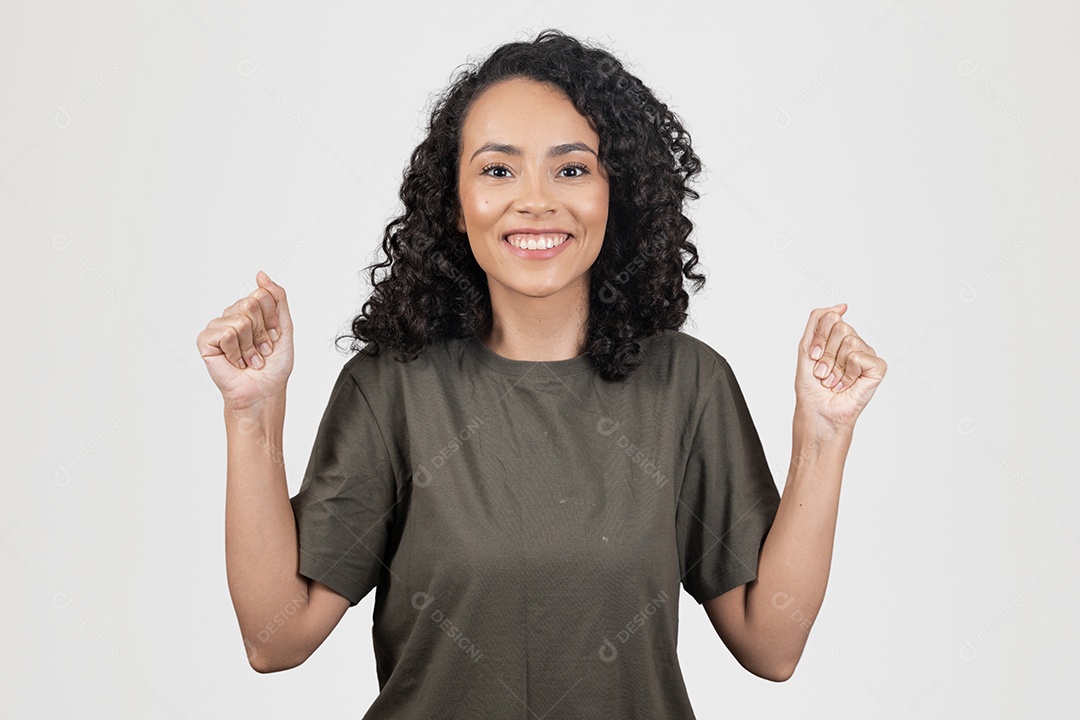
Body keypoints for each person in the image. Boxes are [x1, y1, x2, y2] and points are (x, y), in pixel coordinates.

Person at [196, 29, 886, 719]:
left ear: (618, 193)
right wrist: (251, 415)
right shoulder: (392, 389)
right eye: (498, 170)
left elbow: (772, 644)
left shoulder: (688, 386)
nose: (535, 201)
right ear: (455, 202)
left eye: (572, 169)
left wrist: (823, 435)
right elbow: (276, 638)